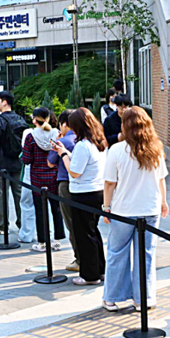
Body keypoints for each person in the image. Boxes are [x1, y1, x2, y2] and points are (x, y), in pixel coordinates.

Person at [102, 107, 169, 311]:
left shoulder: (116, 150)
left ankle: (112, 298)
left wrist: (106, 206)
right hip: (150, 209)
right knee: (146, 254)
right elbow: (161, 179)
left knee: (117, 253)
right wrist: (164, 202)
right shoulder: (156, 148)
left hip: (123, 210)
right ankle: (144, 299)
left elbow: (109, 183)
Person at [52, 108, 107, 286]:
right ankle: (100, 269)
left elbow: (74, 172)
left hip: (83, 193)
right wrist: (66, 153)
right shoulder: (98, 142)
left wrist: (62, 155)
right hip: (97, 190)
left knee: (84, 235)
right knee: (93, 232)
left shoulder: (83, 145)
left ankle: (90, 275)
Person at [22, 107, 64, 252]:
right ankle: (57, 240)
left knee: (40, 211)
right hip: (54, 176)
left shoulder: (30, 136)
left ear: (34, 119)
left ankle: (42, 242)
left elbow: (27, 159)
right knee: (56, 209)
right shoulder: (57, 134)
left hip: (37, 178)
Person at [0, 91, 26, 236]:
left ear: (4, 102)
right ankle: (23, 225)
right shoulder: (20, 120)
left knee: (0, 196)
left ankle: (3, 226)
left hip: (0, 164)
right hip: (17, 163)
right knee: (19, 195)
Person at [49, 109, 79, 272]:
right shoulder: (84, 139)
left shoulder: (64, 141)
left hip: (66, 183)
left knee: (71, 223)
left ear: (65, 124)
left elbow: (50, 162)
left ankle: (79, 258)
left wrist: (58, 142)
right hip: (86, 186)